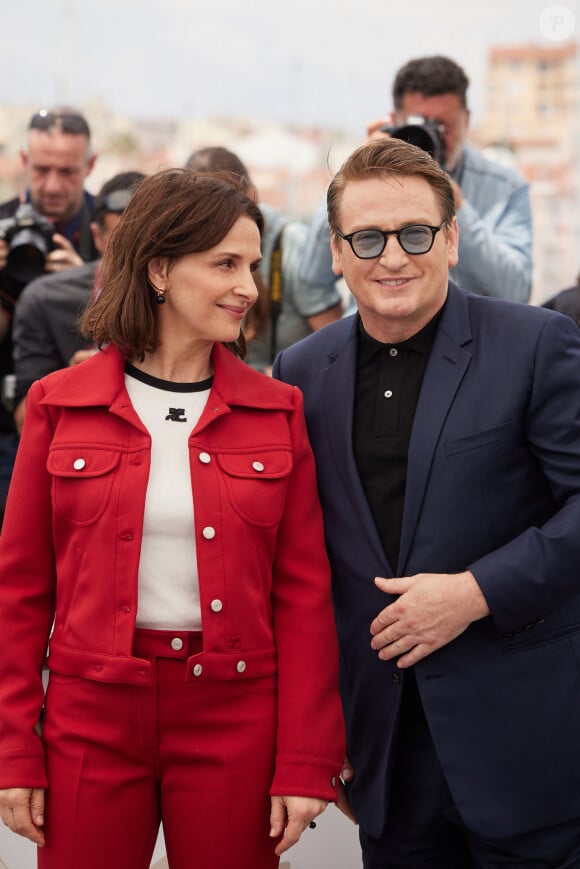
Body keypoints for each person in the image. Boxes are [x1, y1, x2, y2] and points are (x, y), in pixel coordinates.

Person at [0, 168, 344, 869]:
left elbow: (304, 595)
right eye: (224, 264)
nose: (248, 285)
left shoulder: (277, 411)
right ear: (158, 268)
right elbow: (20, 590)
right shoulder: (57, 404)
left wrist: (307, 757)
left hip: (235, 715)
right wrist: (12, 748)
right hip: (88, 717)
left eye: (251, 263)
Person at [273, 137, 580, 867]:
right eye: (368, 238)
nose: (393, 258)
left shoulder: (537, 342)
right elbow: (300, 564)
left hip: (524, 745)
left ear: (451, 240)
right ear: (337, 252)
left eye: (415, 234)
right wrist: (320, 732)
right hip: (385, 753)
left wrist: (476, 591)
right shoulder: (300, 370)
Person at [300, 54, 532, 315]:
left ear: (467, 121)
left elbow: (517, 291)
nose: (436, 136)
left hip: (473, 345)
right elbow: (311, 279)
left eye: (445, 126)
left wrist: (457, 206)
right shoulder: (362, 180)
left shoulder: (506, 187)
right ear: (394, 120)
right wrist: (343, 344)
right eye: (421, 124)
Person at [0, 106, 98, 506]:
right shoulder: (3, 224)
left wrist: (90, 283)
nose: (52, 185)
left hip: (85, 425)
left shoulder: (109, 230)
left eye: (68, 172)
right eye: (41, 170)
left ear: (90, 165)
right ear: (24, 161)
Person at [185, 147, 342, 372]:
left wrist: (277, 377)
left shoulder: (292, 245)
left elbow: (336, 346)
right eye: (226, 264)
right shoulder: (190, 251)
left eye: (252, 266)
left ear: (251, 196)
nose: (249, 291)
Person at [11, 171, 146, 432]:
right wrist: (73, 383)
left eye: (151, 244)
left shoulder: (188, 302)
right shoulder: (45, 299)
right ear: (97, 237)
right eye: (123, 244)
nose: (138, 259)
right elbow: (24, 421)